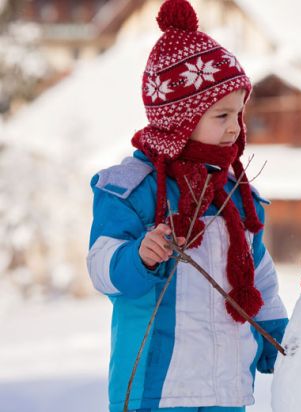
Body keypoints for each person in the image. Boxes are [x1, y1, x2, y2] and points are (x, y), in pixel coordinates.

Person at [86, 1, 287, 410]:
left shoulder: (236, 197)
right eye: (221, 115)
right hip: (156, 388)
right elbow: (101, 265)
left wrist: (277, 337)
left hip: (227, 387)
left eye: (239, 114)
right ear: (180, 118)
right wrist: (139, 256)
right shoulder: (133, 190)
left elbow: (259, 275)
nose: (235, 126)